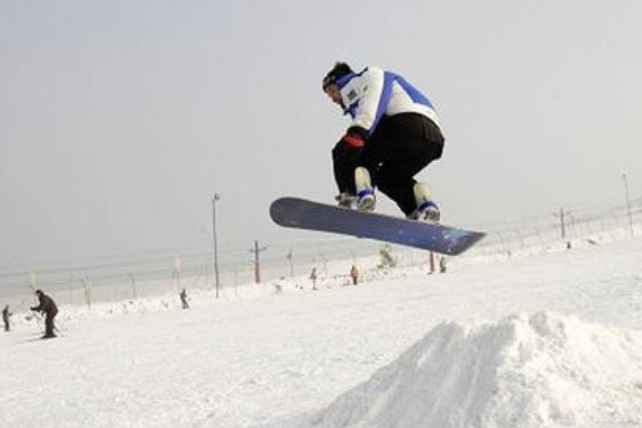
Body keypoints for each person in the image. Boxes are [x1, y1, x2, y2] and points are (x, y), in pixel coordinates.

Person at [322, 62, 445, 222]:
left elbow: (374, 101)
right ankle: (422, 208)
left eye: (332, 91)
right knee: (389, 179)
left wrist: (358, 131)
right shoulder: (367, 90)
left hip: (407, 124)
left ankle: (352, 197)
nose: (332, 99)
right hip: (432, 140)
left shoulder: (369, 76)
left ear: (342, 82)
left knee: (345, 149)